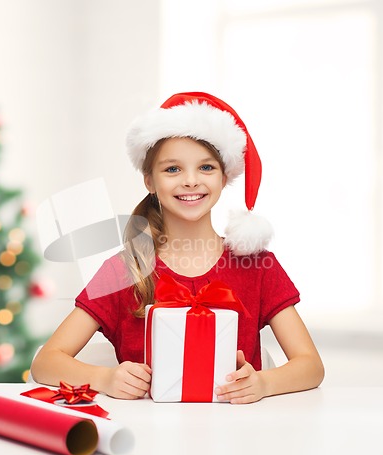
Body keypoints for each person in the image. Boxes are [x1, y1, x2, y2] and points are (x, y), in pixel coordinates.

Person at [31, 92, 324, 404]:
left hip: (237, 436)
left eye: (206, 168)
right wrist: (104, 378)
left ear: (225, 177)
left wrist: (263, 383)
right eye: (173, 169)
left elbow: (311, 366)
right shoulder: (124, 269)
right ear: (150, 181)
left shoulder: (255, 265)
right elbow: (46, 362)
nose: (190, 181)